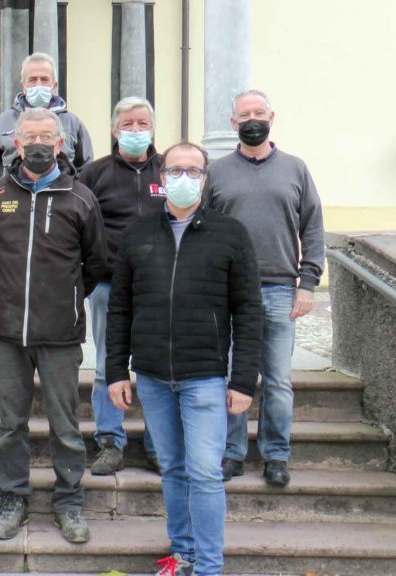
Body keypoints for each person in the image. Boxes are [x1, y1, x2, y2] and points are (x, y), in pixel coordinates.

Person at [106, 142, 263, 576]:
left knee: (205, 472)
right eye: (176, 170)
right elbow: (120, 308)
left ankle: (209, 567)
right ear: (162, 177)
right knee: (173, 469)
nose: (184, 178)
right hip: (153, 376)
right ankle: (183, 553)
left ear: (205, 178)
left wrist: (243, 380)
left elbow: (249, 310)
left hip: (205, 377)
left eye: (194, 171)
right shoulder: (138, 233)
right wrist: (116, 371)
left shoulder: (231, 234)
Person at [0, 107, 107, 544]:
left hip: (60, 333)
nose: (37, 144)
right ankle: (13, 498)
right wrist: (11, 294)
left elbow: (96, 262)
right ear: (15, 144)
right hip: (7, 331)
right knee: (10, 424)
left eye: (46, 137)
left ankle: (68, 501)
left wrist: (65, 299)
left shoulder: (80, 197)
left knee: (64, 424)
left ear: (60, 143)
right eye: (29, 137)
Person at [204, 89, 325, 488]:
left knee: (277, 380)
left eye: (259, 113)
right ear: (232, 123)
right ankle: (232, 453)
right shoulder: (217, 172)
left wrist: (308, 283)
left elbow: (312, 227)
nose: (252, 120)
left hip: (279, 289)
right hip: (230, 291)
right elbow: (204, 229)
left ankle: (276, 455)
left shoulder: (295, 169)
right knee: (231, 375)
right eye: (244, 115)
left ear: (272, 117)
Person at [77, 96, 164, 476]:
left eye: (142, 123)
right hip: (108, 287)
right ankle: (110, 442)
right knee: (105, 367)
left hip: (159, 290)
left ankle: (159, 445)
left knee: (155, 368)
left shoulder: (169, 171)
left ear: (152, 128)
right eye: (127, 124)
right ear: (114, 130)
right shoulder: (93, 174)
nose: (135, 130)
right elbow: (79, 229)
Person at [0, 52, 93, 182]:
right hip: (15, 192)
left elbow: (86, 167)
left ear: (54, 85)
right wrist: (2, 190)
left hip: (61, 193)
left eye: (44, 79)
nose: (38, 85)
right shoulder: (2, 122)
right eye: (32, 79)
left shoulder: (72, 123)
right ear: (23, 86)